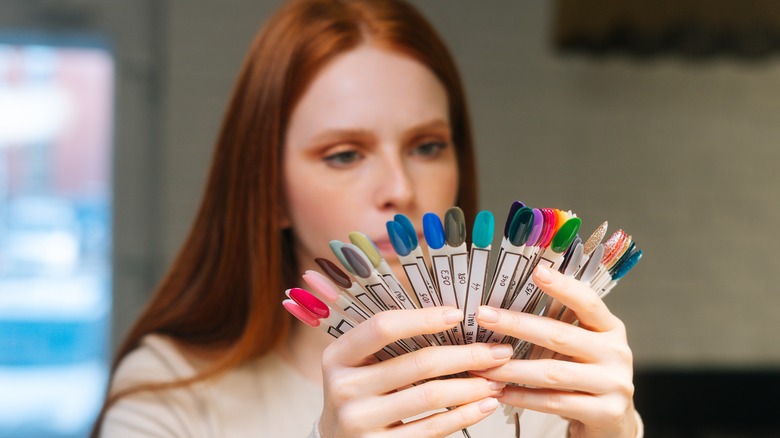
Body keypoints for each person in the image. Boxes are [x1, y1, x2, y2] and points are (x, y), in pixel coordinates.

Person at [94, 0, 642, 436]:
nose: (400, 189)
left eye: (427, 146)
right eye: (344, 155)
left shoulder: (541, 382)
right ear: (271, 191)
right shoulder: (167, 393)